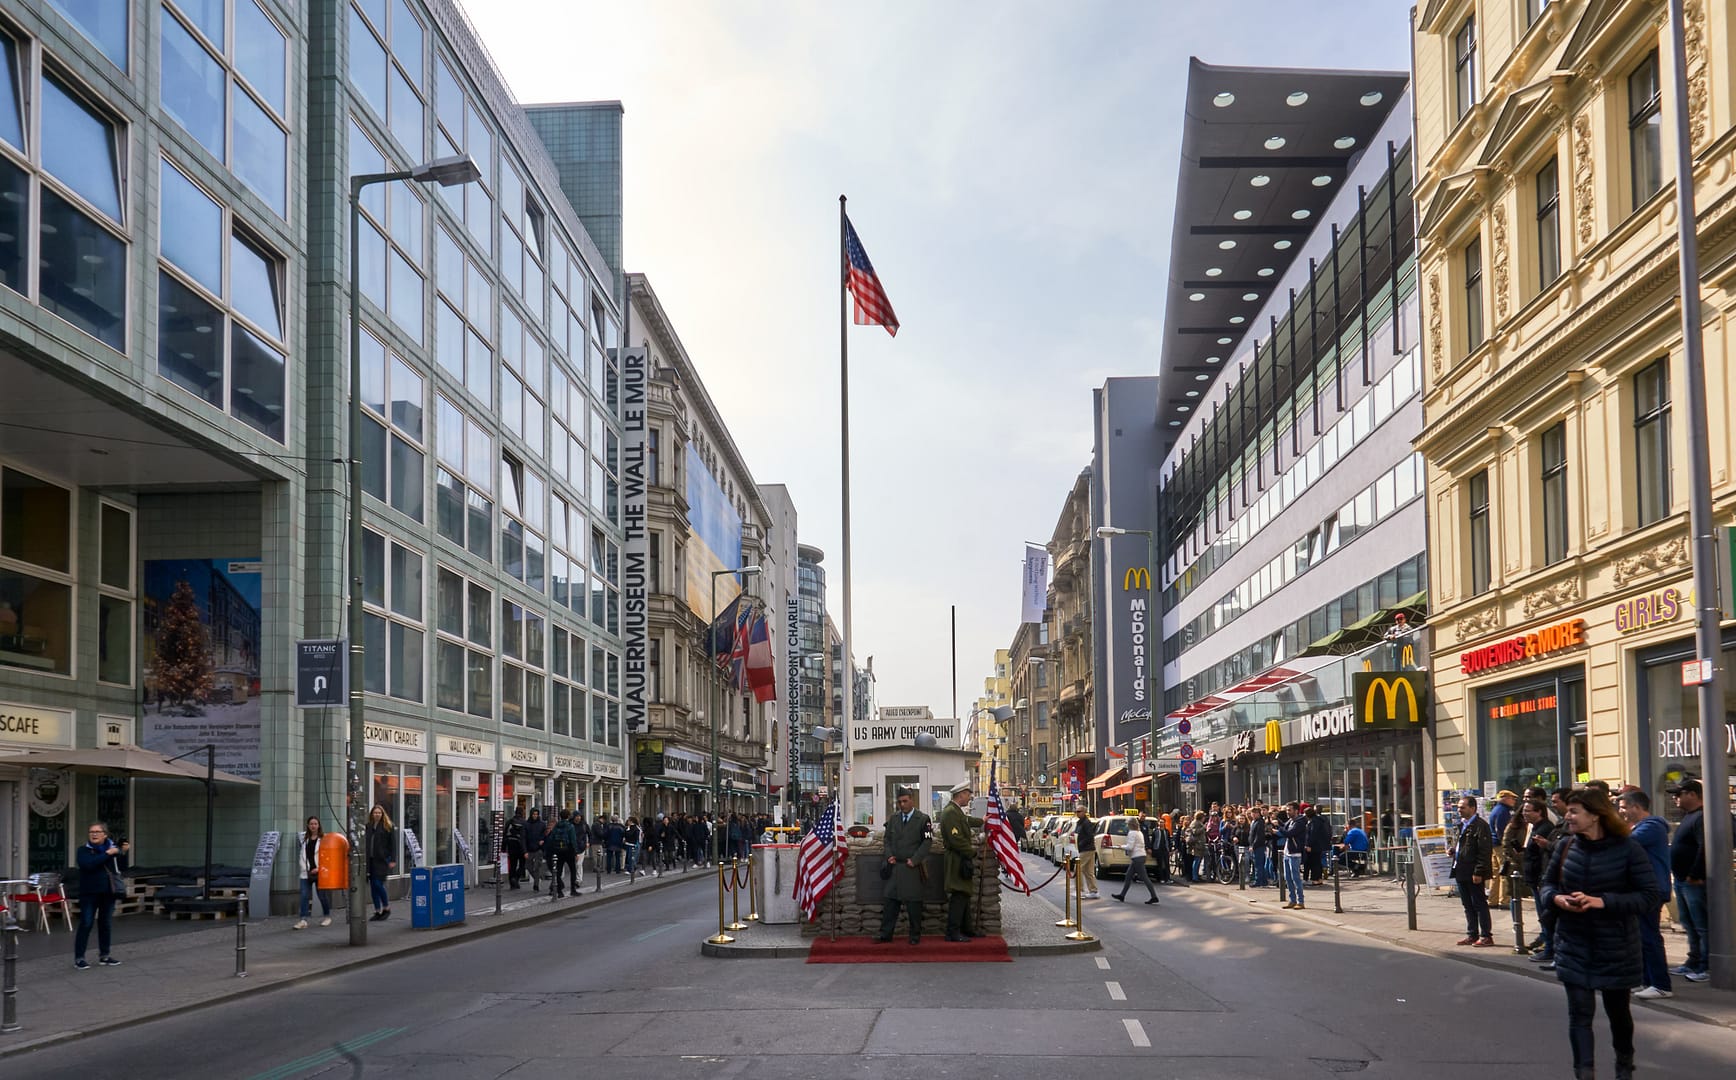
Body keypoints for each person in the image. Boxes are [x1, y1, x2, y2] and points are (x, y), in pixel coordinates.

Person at [1540, 788, 1658, 1080]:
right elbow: (1547, 886)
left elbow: (1648, 896)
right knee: (1579, 1015)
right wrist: (1558, 899)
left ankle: (1623, 1065)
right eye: (1567, 811)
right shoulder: (1566, 846)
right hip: (1573, 943)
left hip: (1615, 947)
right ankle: (1584, 1072)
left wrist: (1602, 901)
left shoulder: (1628, 849)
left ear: (1595, 815)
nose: (1567, 816)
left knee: (1618, 1015)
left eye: (1574, 811)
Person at [1616, 789, 1673, 999]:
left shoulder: (1651, 827)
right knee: (1641, 936)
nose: (1620, 812)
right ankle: (1647, 981)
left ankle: (1661, 984)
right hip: (1643, 889)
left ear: (1636, 807)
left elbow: (1624, 844)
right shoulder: (1642, 827)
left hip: (1651, 890)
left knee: (1649, 937)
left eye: (1623, 808)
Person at [875, 789, 932, 944]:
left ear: (912, 800)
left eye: (905, 801)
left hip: (911, 867)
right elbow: (886, 840)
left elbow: (927, 842)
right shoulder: (893, 819)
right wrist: (889, 855)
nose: (902, 804)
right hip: (895, 867)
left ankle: (915, 936)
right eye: (899, 802)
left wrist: (915, 859)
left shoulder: (923, 819)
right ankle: (885, 934)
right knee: (890, 902)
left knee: (914, 904)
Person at [1666, 778, 1710, 983]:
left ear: (1692, 794)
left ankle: (1706, 965)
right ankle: (1693, 961)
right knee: (1690, 924)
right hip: (1683, 880)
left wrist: (1696, 874)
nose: (1675, 798)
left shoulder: (1702, 817)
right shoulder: (1690, 816)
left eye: (1679, 794)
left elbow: (1705, 848)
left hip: (1694, 881)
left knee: (1701, 925)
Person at [73, 821, 129, 969]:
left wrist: (123, 852)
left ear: (105, 834)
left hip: (108, 893)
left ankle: (104, 955)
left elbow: (121, 868)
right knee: (86, 923)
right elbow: (88, 865)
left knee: (105, 924)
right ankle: (79, 958)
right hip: (89, 893)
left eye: (97, 832)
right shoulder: (83, 850)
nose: (94, 834)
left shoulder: (112, 850)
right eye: (92, 832)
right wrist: (107, 854)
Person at [939, 782, 984, 941]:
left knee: (963, 894)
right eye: (968, 794)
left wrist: (982, 820)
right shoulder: (951, 812)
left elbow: (966, 820)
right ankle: (953, 932)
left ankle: (966, 929)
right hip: (956, 859)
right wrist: (971, 851)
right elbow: (956, 839)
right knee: (959, 895)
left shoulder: (955, 811)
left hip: (960, 858)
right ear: (961, 795)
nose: (969, 797)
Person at [1520, 797, 1561, 964]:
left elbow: (1542, 856)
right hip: (1535, 877)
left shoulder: (1545, 828)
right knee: (1543, 915)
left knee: (1546, 915)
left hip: (1540, 877)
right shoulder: (1535, 827)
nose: (1524, 813)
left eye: (1528, 810)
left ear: (1539, 812)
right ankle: (1548, 945)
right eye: (1523, 810)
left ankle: (1549, 948)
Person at [1450, 795, 1494, 946]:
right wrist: (1453, 851)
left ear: (1472, 808)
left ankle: (1486, 935)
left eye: (1462, 807)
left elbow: (1484, 851)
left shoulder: (1480, 826)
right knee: (1467, 905)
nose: (1459, 810)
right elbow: (1463, 845)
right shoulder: (1462, 825)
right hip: (1461, 869)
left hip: (1473, 871)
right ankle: (1472, 934)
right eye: (1458, 807)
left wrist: (1479, 871)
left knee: (1479, 904)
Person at [294, 816, 335, 930]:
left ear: (319, 825)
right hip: (305, 872)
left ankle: (327, 916)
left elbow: (328, 857)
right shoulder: (305, 839)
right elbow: (302, 856)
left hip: (319, 872)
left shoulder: (323, 839)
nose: (313, 826)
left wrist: (319, 868)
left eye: (315, 824)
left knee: (322, 895)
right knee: (304, 896)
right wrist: (304, 868)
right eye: (311, 824)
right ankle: (303, 920)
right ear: (308, 825)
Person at [1112, 810, 1159, 905]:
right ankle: (1122, 895)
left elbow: (1130, 847)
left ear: (1130, 825)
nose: (1126, 826)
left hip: (1136, 857)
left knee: (1144, 878)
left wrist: (1121, 846)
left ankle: (1154, 896)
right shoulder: (1139, 832)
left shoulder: (1132, 833)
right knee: (1128, 876)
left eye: (1127, 824)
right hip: (1140, 856)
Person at [365, 804, 396, 920]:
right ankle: (377, 910)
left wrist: (393, 859)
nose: (377, 814)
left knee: (378, 884)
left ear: (382, 814)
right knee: (373, 887)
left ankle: (386, 908)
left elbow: (393, 844)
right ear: (372, 814)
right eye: (375, 813)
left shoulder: (387, 826)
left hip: (382, 860)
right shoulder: (368, 826)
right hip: (370, 860)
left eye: (379, 813)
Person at [1488, 789, 1518, 908]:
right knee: (1505, 872)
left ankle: (1492, 900)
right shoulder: (1503, 811)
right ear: (1505, 798)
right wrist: (1507, 844)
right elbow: (1501, 830)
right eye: (1512, 798)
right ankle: (1504, 900)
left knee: (1495, 873)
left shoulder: (1496, 809)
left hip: (1494, 844)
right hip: (1501, 845)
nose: (1514, 801)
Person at [548, 809, 581, 898]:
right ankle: (573, 890)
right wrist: (576, 852)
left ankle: (559, 891)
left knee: (558, 871)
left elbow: (552, 838)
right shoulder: (570, 826)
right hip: (568, 850)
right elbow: (573, 840)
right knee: (573, 870)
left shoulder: (557, 826)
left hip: (558, 850)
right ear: (568, 816)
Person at [1279, 807, 1307, 908]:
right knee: (1288, 878)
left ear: (1296, 811)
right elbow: (1284, 829)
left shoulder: (1299, 822)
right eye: (1287, 810)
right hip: (1287, 852)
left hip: (1295, 853)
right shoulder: (1290, 821)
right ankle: (1292, 900)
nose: (1287, 812)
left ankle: (1301, 901)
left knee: (1296, 878)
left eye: (1289, 810)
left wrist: (1278, 827)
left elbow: (1289, 833)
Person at [1073, 807, 1099, 899]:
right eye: (1076, 811)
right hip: (1086, 849)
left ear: (1084, 812)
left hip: (1086, 849)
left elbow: (1089, 836)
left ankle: (1080, 891)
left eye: (1079, 811)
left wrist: (1081, 843)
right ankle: (1093, 890)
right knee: (1088, 871)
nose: (1077, 813)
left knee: (1078, 868)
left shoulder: (1086, 823)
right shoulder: (1080, 822)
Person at [522, 808, 546, 892]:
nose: (535, 816)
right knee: (528, 866)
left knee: (537, 867)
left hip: (538, 849)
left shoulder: (542, 824)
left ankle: (536, 885)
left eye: (536, 814)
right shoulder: (526, 824)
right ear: (531, 814)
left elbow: (545, 835)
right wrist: (525, 851)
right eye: (534, 814)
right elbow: (523, 838)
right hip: (529, 848)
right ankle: (537, 878)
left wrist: (543, 840)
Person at [505, 807, 527, 889]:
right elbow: (526, 836)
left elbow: (505, 834)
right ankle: (516, 878)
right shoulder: (524, 822)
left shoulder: (510, 822)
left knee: (512, 865)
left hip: (511, 846)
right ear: (522, 813)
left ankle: (512, 882)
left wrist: (504, 847)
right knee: (522, 865)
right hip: (521, 847)